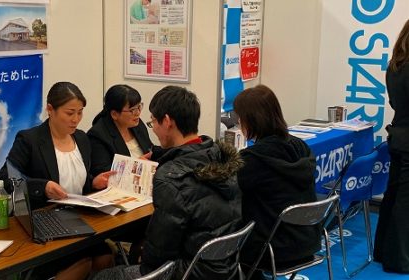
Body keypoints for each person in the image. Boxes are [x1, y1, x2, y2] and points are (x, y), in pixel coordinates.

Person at [91, 85, 243, 280]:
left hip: (189, 272)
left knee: (102, 277)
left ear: (168, 122)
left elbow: (156, 259)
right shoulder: (220, 156)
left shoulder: (171, 180)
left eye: (153, 121)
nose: (152, 128)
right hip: (224, 267)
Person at [0, 81, 115, 280]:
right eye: (70, 113)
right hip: (41, 221)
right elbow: (6, 178)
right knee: (82, 264)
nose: (76, 119)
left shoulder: (82, 139)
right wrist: (42, 186)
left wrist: (93, 182)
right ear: (50, 110)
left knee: (105, 256)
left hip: (77, 219)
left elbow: (77, 179)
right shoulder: (30, 140)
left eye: (80, 113)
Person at [233, 85, 320, 279]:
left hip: (272, 249)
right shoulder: (301, 147)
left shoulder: (253, 159)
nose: (239, 122)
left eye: (240, 118)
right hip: (307, 240)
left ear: (251, 120)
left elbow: (231, 190)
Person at [374, 18, 409, 274]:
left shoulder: (395, 66)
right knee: (404, 202)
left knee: (393, 196)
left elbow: (396, 104)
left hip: (398, 136)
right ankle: (399, 259)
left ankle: (382, 251)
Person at [87, 84, 153, 177]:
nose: (138, 113)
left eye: (139, 107)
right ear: (114, 114)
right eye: (132, 110)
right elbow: (104, 173)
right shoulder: (97, 135)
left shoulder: (136, 124)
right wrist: (136, 165)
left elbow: (149, 149)